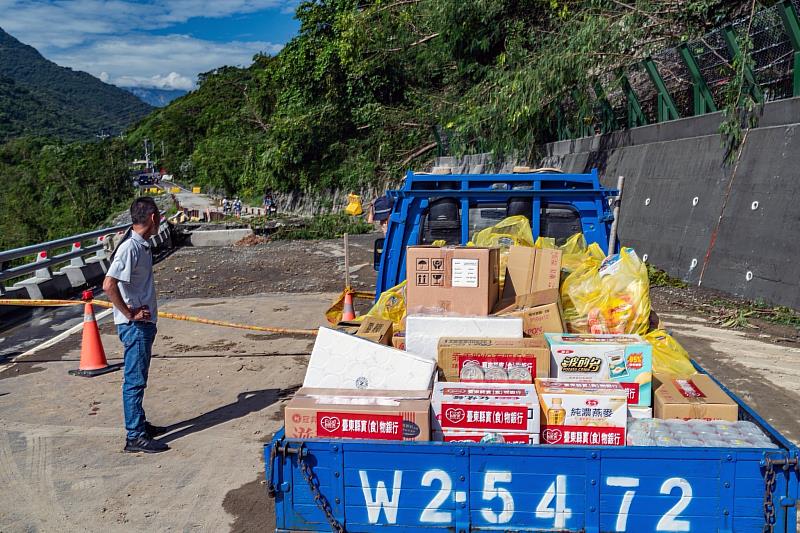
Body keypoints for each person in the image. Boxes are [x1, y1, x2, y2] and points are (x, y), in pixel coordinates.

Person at [102, 197, 169, 454]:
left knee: (138, 378)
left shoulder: (141, 245)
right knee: (134, 381)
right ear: (153, 218)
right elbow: (109, 284)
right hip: (135, 327)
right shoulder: (130, 248)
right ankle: (135, 435)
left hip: (143, 324)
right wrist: (130, 313)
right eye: (159, 217)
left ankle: (140, 424)